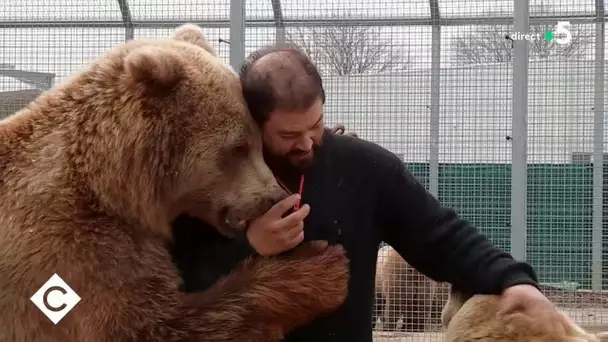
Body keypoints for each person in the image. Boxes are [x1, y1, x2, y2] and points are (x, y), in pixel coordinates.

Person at [170, 44, 561, 341]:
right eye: (288, 135)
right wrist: (249, 244)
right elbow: (176, 279)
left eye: (316, 124)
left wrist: (514, 280)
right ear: (255, 123)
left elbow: (439, 235)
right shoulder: (213, 177)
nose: (307, 144)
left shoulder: (366, 168)